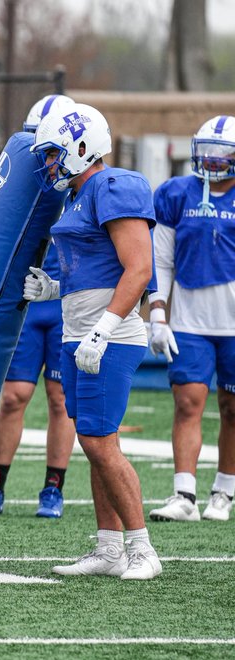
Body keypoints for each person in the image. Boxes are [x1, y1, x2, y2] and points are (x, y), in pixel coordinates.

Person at [26, 102, 161, 580]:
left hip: (110, 335)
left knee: (101, 441)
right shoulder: (76, 197)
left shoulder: (111, 185)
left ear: (83, 148)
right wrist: (54, 288)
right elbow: (92, 272)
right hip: (78, 331)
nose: (48, 164)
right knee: (93, 440)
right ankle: (109, 548)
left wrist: (102, 331)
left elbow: (139, 268)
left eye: (53, 154)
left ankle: (142, 548)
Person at [0, 94, 77, 519]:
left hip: (65, 302)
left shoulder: (84, 186)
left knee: (60, 397)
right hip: (27, 301)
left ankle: (53, 487)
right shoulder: (20, 180)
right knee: (13, 396)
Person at [148, 114, 235, 523]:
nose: (214, 162)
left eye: (223, 155)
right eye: (208, 153)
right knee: (188, 402)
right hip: (189, 320)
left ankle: (225, 490)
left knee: (233, 408)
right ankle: (184, 493)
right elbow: (160, 260)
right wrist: (158, 313)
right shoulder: (176, 193)